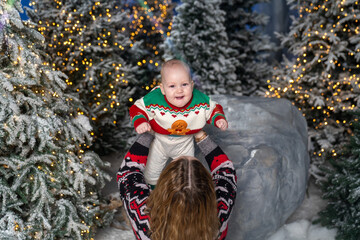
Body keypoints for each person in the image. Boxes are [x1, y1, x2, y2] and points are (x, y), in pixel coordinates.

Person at [117, 130, 237, 240]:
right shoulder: (220, 213)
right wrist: (200, 135)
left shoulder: (142, 214)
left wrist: (150, 132)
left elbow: (128, 171)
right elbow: (225, 170)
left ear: (163, 187)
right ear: (210, 190)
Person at [129, 59, 228, 186]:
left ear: (192, 85)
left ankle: (181, 199)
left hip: (184, 144)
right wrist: (141, 121)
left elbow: (213, 108)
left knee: (185, 175)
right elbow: (138, 107)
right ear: (163, 89)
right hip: (160, 142)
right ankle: (152, 193)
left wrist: (218, 119)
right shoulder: (156, 98)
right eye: (172, 86)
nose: (179, 90)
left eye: (184, 84)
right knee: (151, 174)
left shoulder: (199, 100)